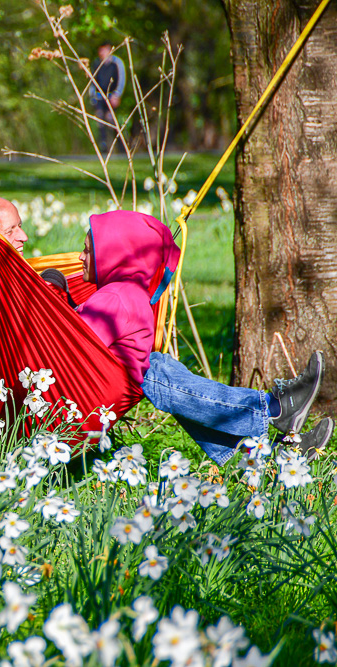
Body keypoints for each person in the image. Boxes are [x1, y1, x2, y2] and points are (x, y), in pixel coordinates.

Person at [48, 209, 331, 463]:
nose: (80, 258)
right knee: (154, 368)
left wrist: (50, 295)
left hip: (74, 397)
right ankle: (270, 449)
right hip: (84, 393)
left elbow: (73, 343)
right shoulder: (127, 292)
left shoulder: (114, 297)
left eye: (87, 250)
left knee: (153, 371)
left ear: (113, 254)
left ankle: (270, 416)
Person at [90, 41, 126, 152]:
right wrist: (92, 96)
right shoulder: (97, 63)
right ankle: (103, 146)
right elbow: (93, 81)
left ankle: (121, 146)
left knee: (111, 119)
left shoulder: (117, 63)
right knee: (100, 118)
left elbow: (121, 79)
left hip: (112, 96)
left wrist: (117, 95)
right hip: (99, 96)